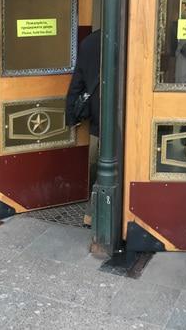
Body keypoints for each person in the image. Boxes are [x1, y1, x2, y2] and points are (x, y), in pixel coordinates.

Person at [65, 29, 101, 226]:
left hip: (98, 112)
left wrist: (71, 115)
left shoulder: (90, 42)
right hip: (122, 114)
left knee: (103, 162)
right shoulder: (130, 40)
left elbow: (77, 81)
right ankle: (93, 213)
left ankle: (92, 214)